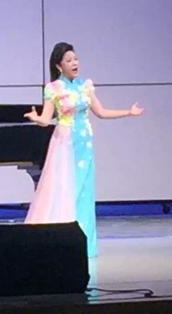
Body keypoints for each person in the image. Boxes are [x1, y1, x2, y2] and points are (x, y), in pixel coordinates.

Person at [23, 42, 144, 258]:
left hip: (84, 143)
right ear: (59, 66)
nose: (74, 63)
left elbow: (101, 112)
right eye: (69, 60)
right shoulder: (54, 88)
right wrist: (36, 118)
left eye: (76, 59)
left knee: (84, 192)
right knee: (64, 190)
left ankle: (82, 245)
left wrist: (128, 112)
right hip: (65, 144)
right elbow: (46, 119)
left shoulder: (85, 86)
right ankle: (59, 244)